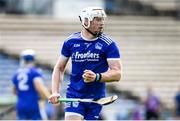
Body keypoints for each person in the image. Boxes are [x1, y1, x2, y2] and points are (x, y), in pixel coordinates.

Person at [48, 6, 122, 120]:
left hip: (95, 98)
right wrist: (55, 92)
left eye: (102, 19)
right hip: (74, 95)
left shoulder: (109, 44)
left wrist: (97, 77)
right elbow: (59, 68)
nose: (101, 23)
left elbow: (117, 74)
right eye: (97, 19)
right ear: (86, 21)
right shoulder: (70, 41)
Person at [11, 49, 51, 120]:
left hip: (21, 104)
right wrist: (49, 97)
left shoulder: (17, 73)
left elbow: (14, 91)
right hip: (33, 104)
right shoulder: (35, 72)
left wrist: (24, 95)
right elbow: (39, 87)